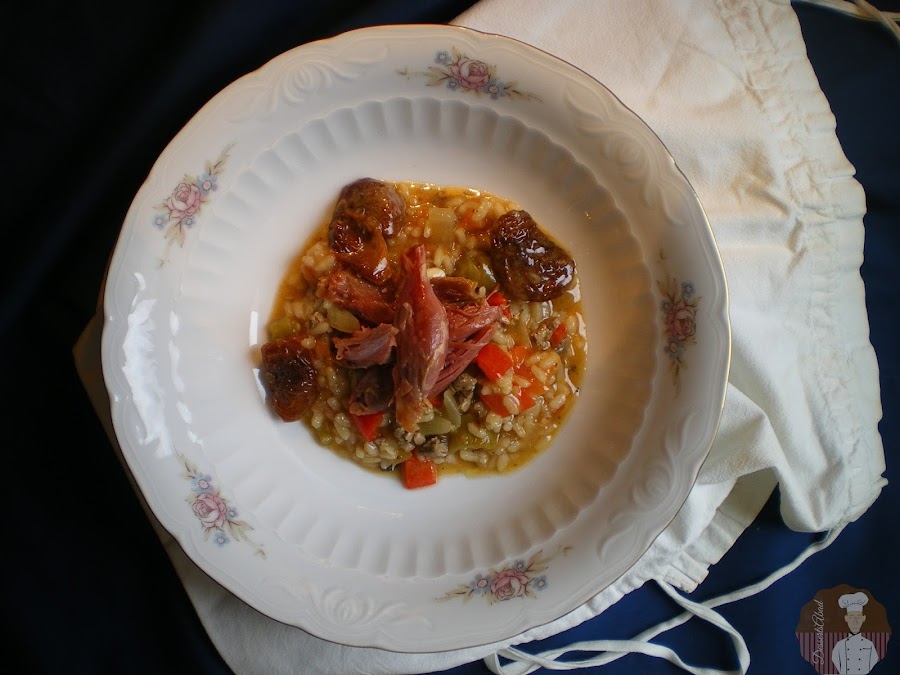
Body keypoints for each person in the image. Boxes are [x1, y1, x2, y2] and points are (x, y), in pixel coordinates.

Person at [832, 592, 879, 674]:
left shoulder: (869, 645)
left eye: (858, 617)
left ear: (863, 618)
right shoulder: (839, 645)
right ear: (846, 618)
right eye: (851, 617)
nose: (855, 621)